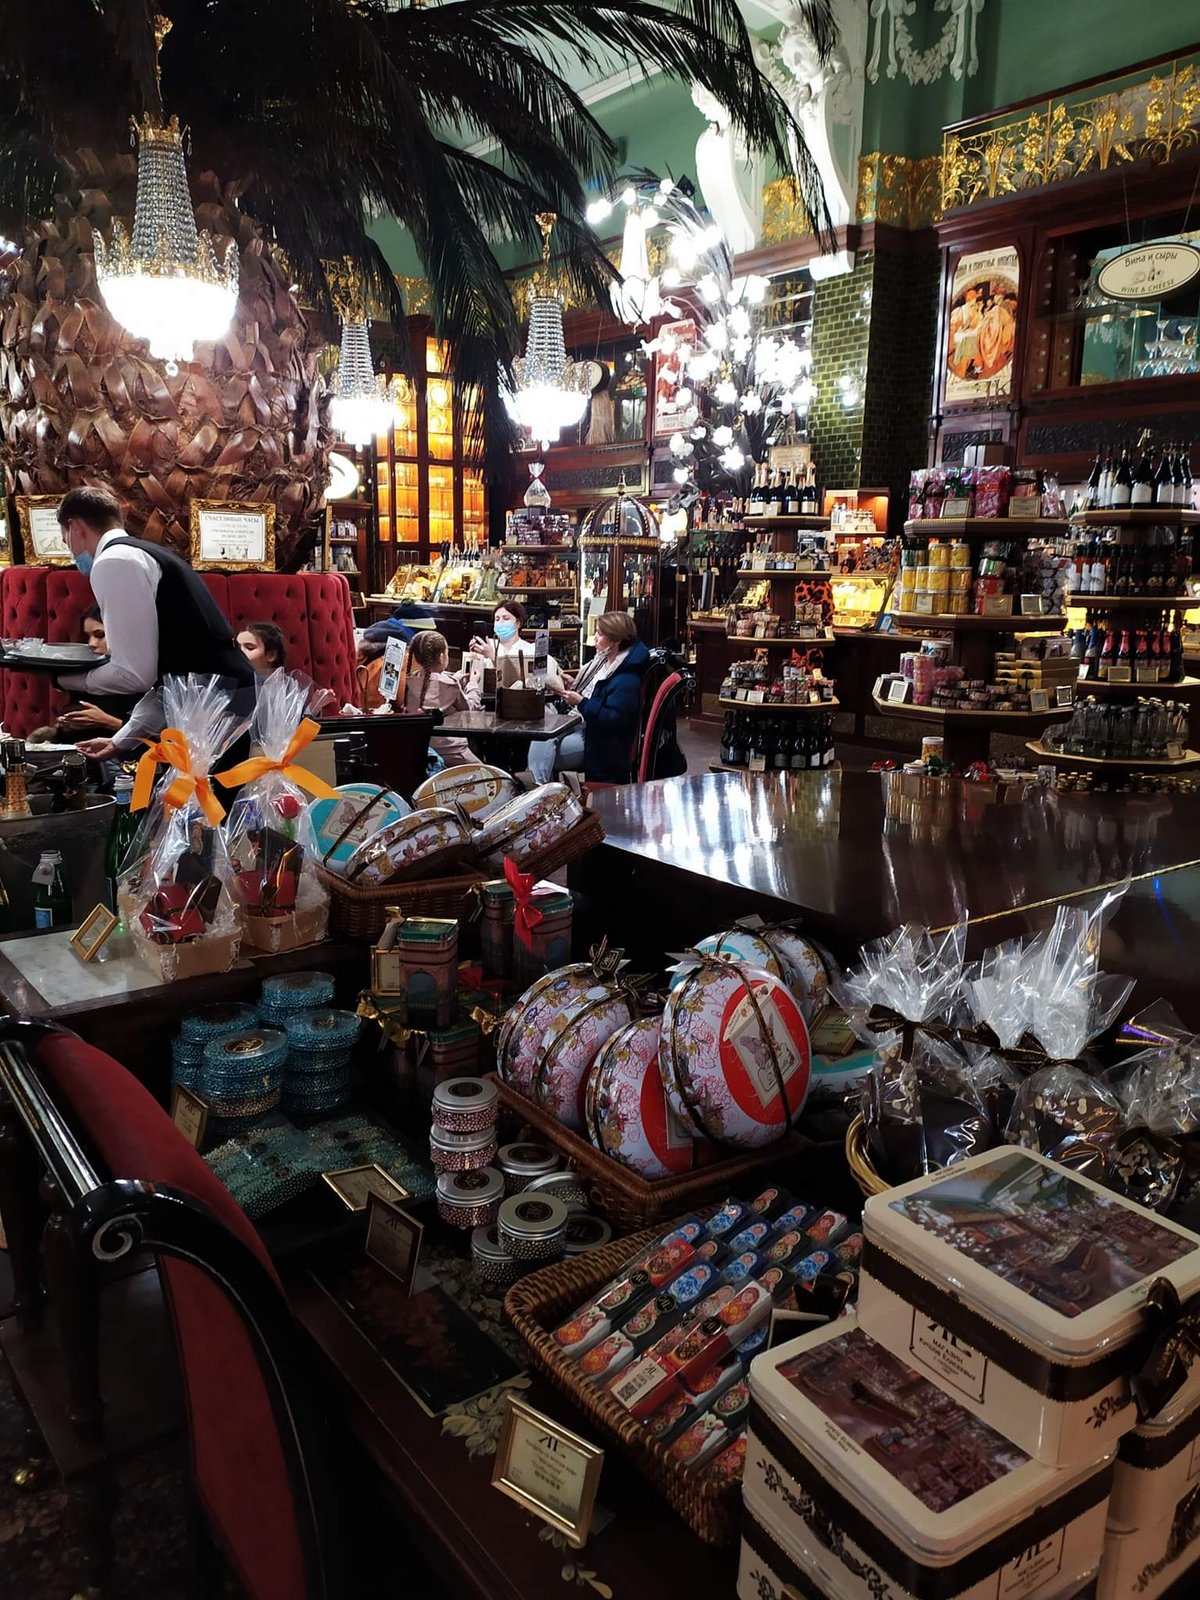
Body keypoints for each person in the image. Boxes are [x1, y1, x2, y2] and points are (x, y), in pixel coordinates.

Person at [54, 485, 256, 764]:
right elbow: (168, 681)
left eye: (65, 540)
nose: (70, 552)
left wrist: (61, 677)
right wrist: (119, 741)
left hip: (219, 711)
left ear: (74, 527)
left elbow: (134, 675)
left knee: (212, 793)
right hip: (223, 700)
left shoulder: (115, 561)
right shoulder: (148, 554)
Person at [528, 612, 648, 784]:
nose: (595, 638)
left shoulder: (626, 679)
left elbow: (615, 719)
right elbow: (598, 693)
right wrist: (575, 686)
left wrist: (581, 702)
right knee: (542, 737)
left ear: (615, 640)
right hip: (583, 725)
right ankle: (539, 789)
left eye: (600, 633)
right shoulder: (605, 663)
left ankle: (538, 790)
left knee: (541, 743)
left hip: (599, 742)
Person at [400, 631, 481, 767]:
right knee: (489, 776)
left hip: (420, 752)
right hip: (453, 753)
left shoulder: (408, 681)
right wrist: (473, 684)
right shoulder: (449, 684)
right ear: (442, 657)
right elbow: (470, 709)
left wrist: (454, 679)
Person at [462, 600, 565, 694]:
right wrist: (474, 658)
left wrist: (493, 657)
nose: (500, 623)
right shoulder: (486, 646)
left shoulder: (531, 650)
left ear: (518, 623)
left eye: (506, 618)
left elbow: (550, 685)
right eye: (497, 619)